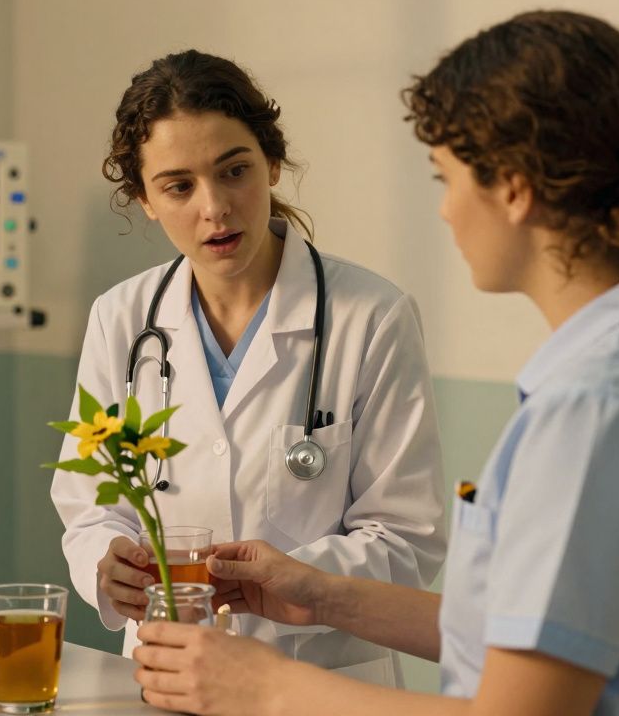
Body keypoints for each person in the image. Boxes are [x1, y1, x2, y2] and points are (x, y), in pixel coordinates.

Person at [132, 10, 619, 715]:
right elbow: (534, 639)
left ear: (515, 189)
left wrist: (265, 687)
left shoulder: (597, 410)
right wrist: (321, 592)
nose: (445, 212)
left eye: (447, 178)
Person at [50, 49, 448, 685]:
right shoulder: (120, 318)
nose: (214, 207)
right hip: (165, 671)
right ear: (145, 200)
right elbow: (90, 504)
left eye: (234, 171)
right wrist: (107, 564)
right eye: (178, 186)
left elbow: (407, 535)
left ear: (272, 164)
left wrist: (303, 580)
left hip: (326, 681)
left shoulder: (371, 317)